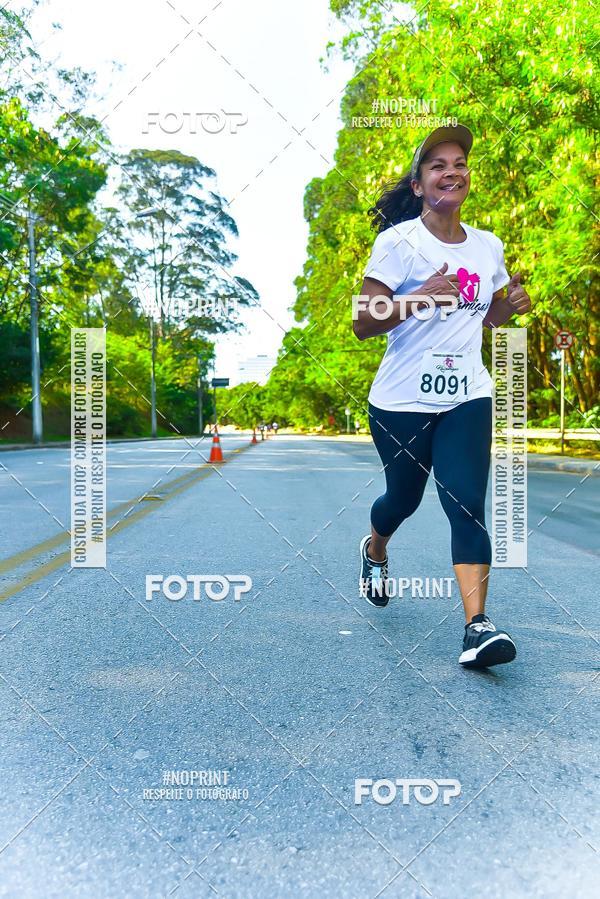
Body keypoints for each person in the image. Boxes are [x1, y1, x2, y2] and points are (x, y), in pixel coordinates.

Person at [354, 123, 531, 669]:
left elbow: (487, 319)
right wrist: (419, 299)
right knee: (402, 500)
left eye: (458, 163)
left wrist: (511, 308)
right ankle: (375, 549)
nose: (451, 171)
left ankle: (477, 627)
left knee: (465, 504)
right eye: (438, 165)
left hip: (467, 395)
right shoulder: (398, 243)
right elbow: (363, 322)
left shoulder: (487, 246)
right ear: (418, 184)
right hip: (401, 400)